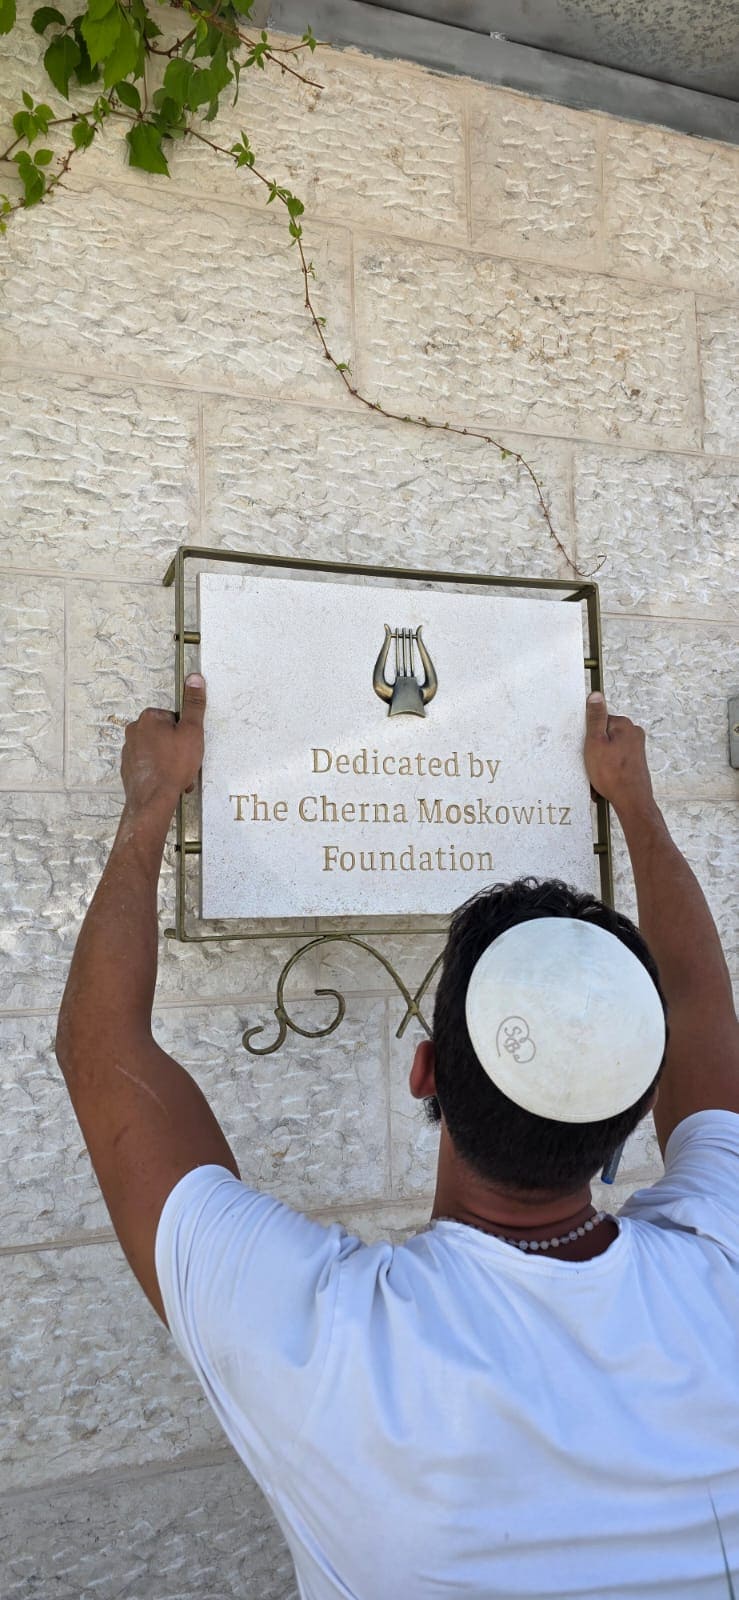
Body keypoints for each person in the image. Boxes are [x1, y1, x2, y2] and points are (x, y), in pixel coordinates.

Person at [55, 679, 739, 1599]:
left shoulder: (336, 1347)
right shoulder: (720, 1261)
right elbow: (700, 1015)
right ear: (642, 1099)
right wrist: (637, 804)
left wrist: (149, 802)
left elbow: (100, 1046)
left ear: (424, 1072)